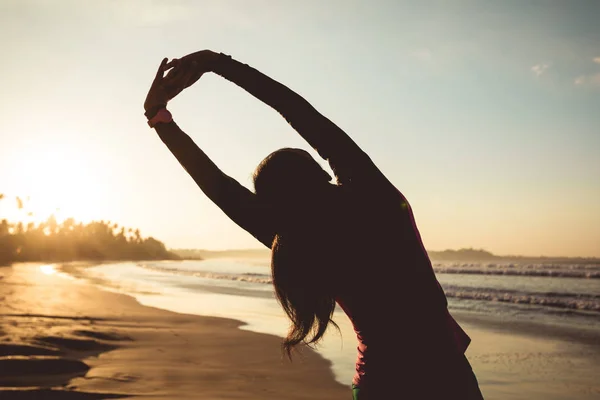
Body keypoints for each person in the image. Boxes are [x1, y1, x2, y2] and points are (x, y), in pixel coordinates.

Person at [143, 50, 484, 399]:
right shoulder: (375, 198)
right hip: (446, 377)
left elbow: (221, 190)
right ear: (322, 170)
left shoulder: (298, 239)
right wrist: (218, 64)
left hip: (378, 385)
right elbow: (296, 111)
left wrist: (160, 120)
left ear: (276, 205)